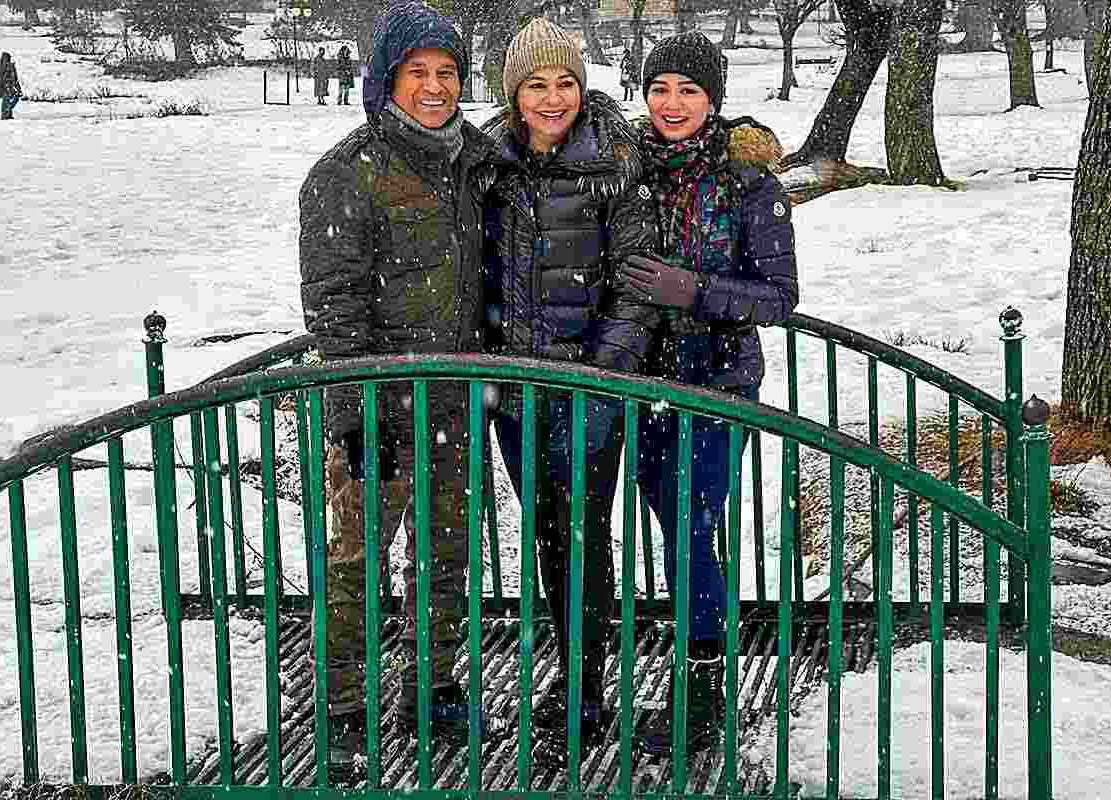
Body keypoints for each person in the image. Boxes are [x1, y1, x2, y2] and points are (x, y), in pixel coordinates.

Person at [297, 0, 500, 779]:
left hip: (458, 397)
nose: (435, 87)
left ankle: (433, 684)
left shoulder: (475, 163)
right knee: (355, 559)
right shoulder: (346, 173)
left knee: (447, 555)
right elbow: (335, 300)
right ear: (387, 80)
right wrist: (355, 410)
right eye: (418, 72)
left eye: (447, 72)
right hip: (379, 403)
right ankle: (344, 701)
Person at [481, 16, 657, 760]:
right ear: (512, 92)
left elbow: (638, 282)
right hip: (515, 390)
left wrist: (597, 371)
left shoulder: (613, 157)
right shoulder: (484, 161)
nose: (553, 99)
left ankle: (584, 687)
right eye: (536, 85)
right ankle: (569, 665)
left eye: (565, 83)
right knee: (548, 532)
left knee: (580, 531)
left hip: (588, 387)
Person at [622, 30, 798, 756]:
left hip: (719, 380)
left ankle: (702, 680)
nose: (671, 104)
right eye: (659, 88)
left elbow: (780, 296)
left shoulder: (748, 183)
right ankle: (690, 638)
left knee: (694, 525)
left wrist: (696, 291)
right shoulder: (626, 168)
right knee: (670, 522)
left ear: (713, 99)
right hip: (641, 378)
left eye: (688, 90)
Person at [0, 52, 21, 120]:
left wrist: (18, 88)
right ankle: (4, 114)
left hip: (7, 87)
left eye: (6, 58)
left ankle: (6, 113)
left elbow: (15, 78)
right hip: (2, 87)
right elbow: (2, 78)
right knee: (1, 101)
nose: (4, 60)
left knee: (11, 99)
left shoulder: (10, 66)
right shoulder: (2, 67)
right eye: (3, 58)